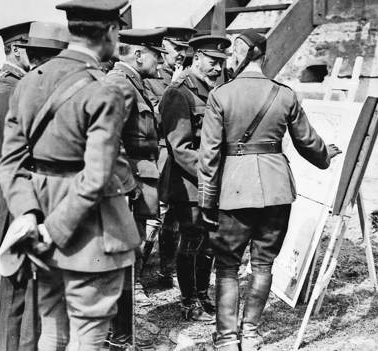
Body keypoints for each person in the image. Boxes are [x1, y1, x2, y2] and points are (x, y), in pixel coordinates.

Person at [0, 0, 140, 349]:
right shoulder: (104, 89)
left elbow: (10, 162)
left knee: (51, 331)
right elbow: (96, 176)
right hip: (90, 233)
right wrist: (54, 230)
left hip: (38, 225)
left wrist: (31, 216)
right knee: (88, 336)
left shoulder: (28, 83)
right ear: (109, 31)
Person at [197, 29, 342, 351]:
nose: (230, 58)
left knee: (227, 268)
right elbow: (308, 142)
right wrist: (325, 157)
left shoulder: (221, 95)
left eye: (235, 51)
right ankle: (250, 334)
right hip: (277, 190)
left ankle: (225, 339)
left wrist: (206, 200)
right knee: (263, 265)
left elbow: (208, 154)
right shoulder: (285, 94)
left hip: (233, 192)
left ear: (248, 53)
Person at [159, 34, 231, 321]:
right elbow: (180, 148)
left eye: (221, 63)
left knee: (210, 242)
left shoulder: (217, 91)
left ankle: (202, 294)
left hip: (211, 180)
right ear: (197, 57)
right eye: (212, 62)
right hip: (190, 184)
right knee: (190, 241)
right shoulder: (181, 92)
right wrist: (209, 176)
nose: (217, 68)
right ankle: (188, 301)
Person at [104, 27, 167, 350]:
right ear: (138, 54)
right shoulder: (118, 84)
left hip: (138, 186)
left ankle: (120, 335)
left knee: (130, 260)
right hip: (127, 190)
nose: (161, 60)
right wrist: (126, 188)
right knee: (122, 263)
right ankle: (119, 338)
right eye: (157, 54)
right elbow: (108, 143)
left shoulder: (134, 84)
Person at [0, 21, 35, 351]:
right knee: (14, 299)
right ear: (17, 50)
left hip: (14, 205)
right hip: (11, 207)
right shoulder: (6, 93)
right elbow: (7, 164)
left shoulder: (18, 87)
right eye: (36, 51)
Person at [145, 26, 196, 288]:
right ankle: (140, 275)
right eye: (176, 49)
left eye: (184, 50)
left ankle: (168, 270)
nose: (180, 55)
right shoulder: (151, 78)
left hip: (179, 158)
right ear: (164, 47)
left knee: (175, 217)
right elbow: (154, 118)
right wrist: (172, 87)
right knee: (153, 216)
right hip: (160, 155)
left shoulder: (188, 78)